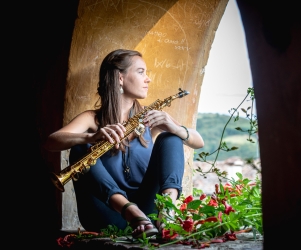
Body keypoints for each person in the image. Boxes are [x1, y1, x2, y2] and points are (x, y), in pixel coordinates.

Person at [44, 49, 204, 239]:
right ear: (120, 78)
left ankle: (166, 213)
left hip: (148, 213)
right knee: (81, 147)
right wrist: (91, 137)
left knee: (171, 137)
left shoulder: (149, 117)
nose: (148, 79)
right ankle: (131, 212)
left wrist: (174, 127)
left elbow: (198, 142)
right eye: (141, 72)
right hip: (108, 215)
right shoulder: (92, 119)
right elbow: (51, 142)